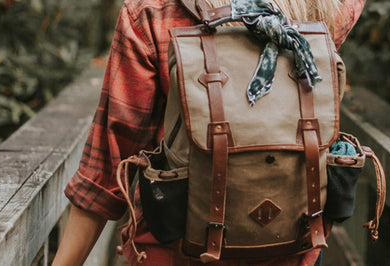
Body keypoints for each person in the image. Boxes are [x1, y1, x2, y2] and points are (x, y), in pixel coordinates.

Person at [51, 0, 364, 264]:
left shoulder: (153, 12)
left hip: (174, 250)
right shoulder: (324, 7)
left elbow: (104, 173)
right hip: (293, 250)